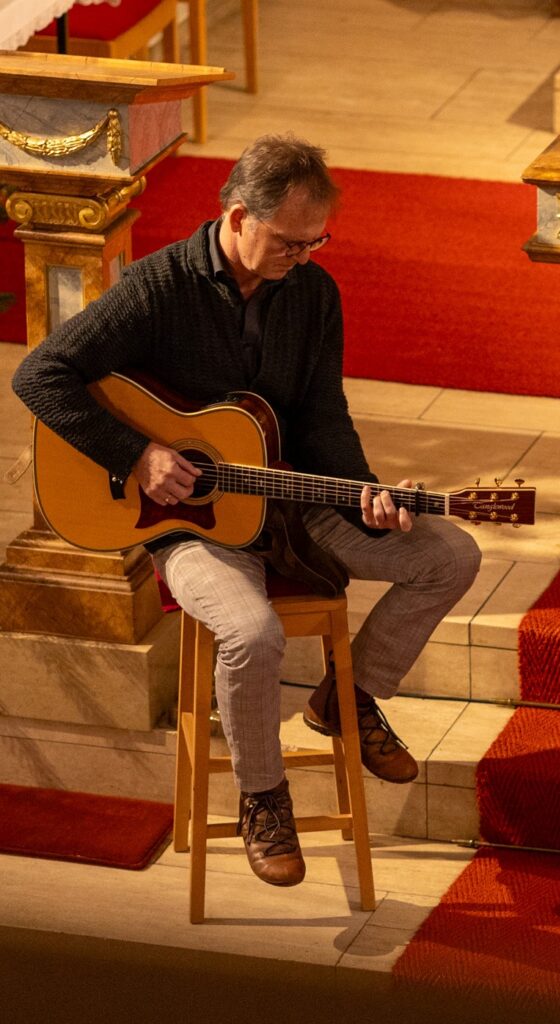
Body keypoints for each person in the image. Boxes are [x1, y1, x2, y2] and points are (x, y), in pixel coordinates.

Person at [12, 134, 481, 888]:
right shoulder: (157, 287)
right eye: (291, 241)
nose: (306, 255)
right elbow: (40, 376)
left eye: (316, 240)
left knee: (450, 555)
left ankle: (349, 699)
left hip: (292, 499)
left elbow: (323, 413)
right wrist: (138, 456)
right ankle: (264, 798)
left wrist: (364, 493)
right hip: (188, 523)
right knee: (253, 632)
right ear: (237, 217)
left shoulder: (313, 291)